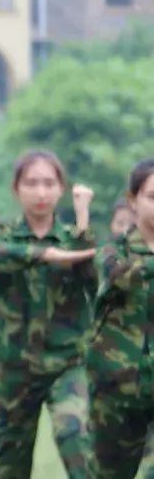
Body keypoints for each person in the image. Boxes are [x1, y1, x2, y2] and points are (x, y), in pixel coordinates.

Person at [0, 150, 97, 479]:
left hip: (67, 362)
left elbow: (93, 280)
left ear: (61, 188)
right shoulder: (1, 234)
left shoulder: (75, 238)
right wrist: (45, 253)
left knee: (75, 435)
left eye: (49, 183)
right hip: (14, 364)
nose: (41, 192)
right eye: (31, 183)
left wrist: (83, 219)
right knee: (11, 458)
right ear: (16, 189)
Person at [87, 159, 154, 479]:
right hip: (116, 387)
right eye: (153, 197)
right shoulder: (114, 250)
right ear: (133, 200)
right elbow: (120, 274)